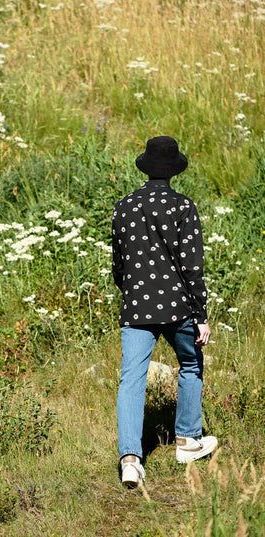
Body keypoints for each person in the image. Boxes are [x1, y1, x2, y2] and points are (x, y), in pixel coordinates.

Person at [112, 136, 218, 489]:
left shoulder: (124, 206)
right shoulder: (183, 207)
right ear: (173, 170)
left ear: (146, 167)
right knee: (190, 363)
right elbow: (192, 267)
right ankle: (187, 440)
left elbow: (119, 266)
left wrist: (133, 293)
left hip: (136, 307)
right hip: (178, 307)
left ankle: (130, 460)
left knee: (131, 380)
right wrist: (201, 314)